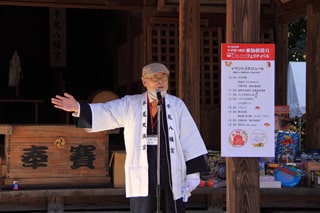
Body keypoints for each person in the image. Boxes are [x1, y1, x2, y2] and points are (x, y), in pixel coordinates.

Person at [51, 62, 208, 213]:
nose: (160, 82)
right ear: (144, 81)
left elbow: (190, 138)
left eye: (164, 78)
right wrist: (78, 108)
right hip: (143, 172)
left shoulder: (177, 105)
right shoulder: (131, 104)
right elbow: (108, 112)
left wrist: (193, 173)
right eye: (155, 78)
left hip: (171, 171)